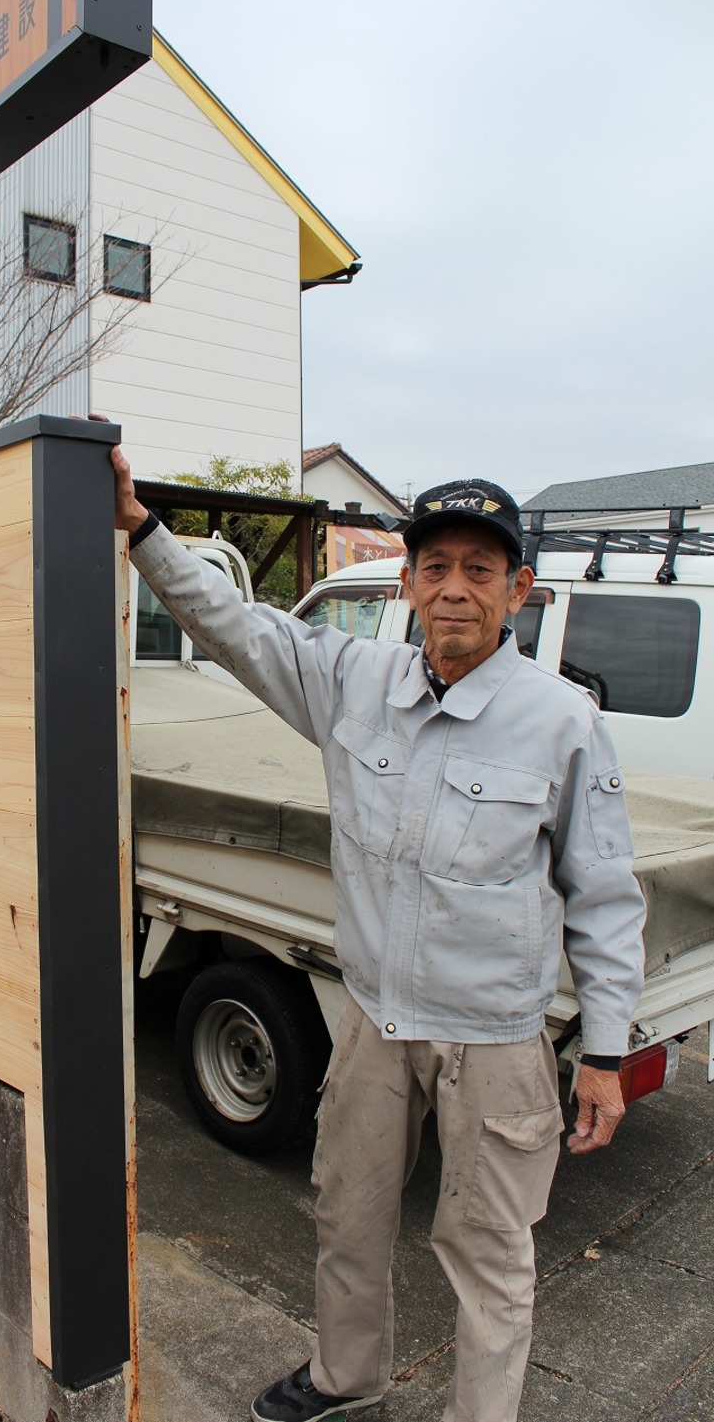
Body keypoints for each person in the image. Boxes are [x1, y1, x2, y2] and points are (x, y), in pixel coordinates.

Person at [109, 438, 645, 1422]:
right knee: (348, 1216)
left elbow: (605, 897)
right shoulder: (355, 683)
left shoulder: (562, 722)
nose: (453, 590)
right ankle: (347, 1376)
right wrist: (143, 531)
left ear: (517, 589)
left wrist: (605, 1051)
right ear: (405, 581)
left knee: (488, 1250)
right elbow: (236, 627)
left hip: (495, 1041)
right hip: (372, 1021)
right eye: (434, 567)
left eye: (478, 570)